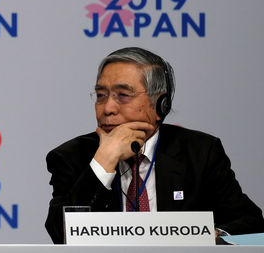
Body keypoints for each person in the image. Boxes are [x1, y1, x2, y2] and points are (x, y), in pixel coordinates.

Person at [45, 47, 264, 244]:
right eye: (101, 95)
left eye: (122, 95)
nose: (108, 107)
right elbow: (61, 234)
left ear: (161, 104)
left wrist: (212, 237)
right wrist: (104, 161)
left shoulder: (200, 152)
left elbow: (250, 222)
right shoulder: (71, 156)